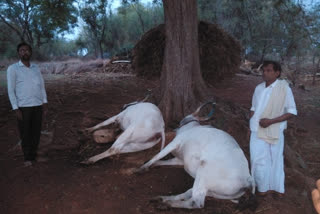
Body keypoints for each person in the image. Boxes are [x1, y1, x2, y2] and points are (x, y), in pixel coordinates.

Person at [249, 60, 297, 197]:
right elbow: (253, 108)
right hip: (256, 129)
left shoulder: (284, 88)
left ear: (277, 73)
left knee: (275, 159)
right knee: (257, 159)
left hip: (274, 129)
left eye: (269, 70)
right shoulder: (258, 88)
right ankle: (262, 188)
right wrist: (250, 126)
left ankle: (276, 188)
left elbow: (292, 111)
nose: (265, 73)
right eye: (264, 70)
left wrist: (271, 121)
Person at [7, 42, 48, 166]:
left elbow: (41, 86)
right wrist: (16, 109)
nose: (25, 52)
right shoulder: (13, 69)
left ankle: (34, 155)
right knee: (25, 133)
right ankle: (27, 158)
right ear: (18, 53)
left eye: (27, 50)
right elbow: (11, 90)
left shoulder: (35, 68)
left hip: (37, 105)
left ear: (30, 52)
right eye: (22, 50)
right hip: (23, 107)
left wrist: (44, 102)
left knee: (36, 132)